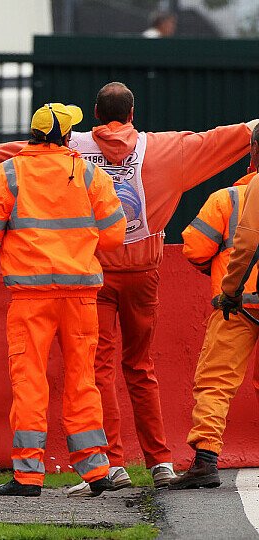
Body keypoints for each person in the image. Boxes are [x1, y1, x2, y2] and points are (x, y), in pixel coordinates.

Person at [0, 82, 258, 494]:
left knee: (74, 373)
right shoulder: (153, 154)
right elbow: (218, 140)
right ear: (132, 114)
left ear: (93, 115)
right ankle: (144, 463)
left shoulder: (35, 165)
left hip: (62, 286)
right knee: (130, 370)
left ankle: (88, 468)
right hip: (116, 280)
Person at [0, 102, 126, 497]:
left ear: (33, 135)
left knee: (30, 381)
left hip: (31, 298)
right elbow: (114, 236)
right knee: (83, 379)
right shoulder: (91, 175)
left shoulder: (6, 174)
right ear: (66, 137)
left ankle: (29, 475)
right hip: (80, 296)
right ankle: (96, 469)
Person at [171, 126, 259, 489]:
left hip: (236, 306)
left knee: (216, 382)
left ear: (253, 153)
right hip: (237, 303)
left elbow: (195, 248)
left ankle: (206, 460)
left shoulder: (227, 200)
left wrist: (227, 280)